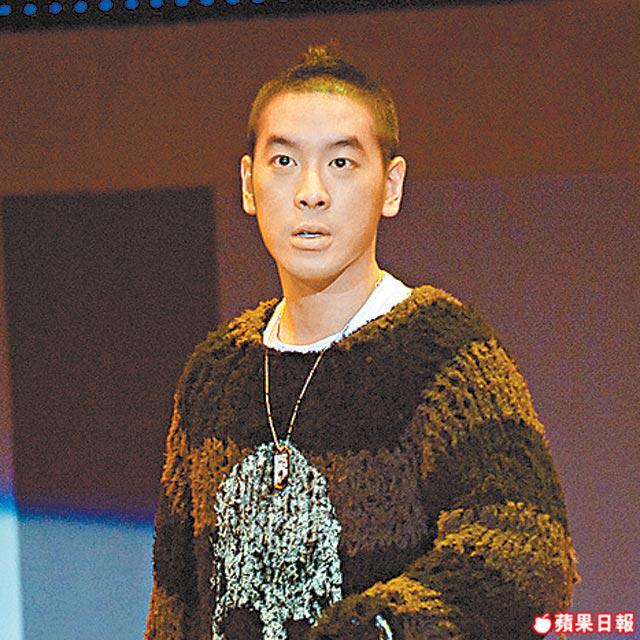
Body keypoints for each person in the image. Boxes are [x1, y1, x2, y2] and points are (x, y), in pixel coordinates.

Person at [144, 43, 580, 640]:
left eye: (342, 163)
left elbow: (527, 552)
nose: (311, 192)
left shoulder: (443, 355)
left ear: (391, 186)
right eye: (284, 161)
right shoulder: (215, 376)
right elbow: (174, 601)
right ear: (248, 183)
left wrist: (375, 626)